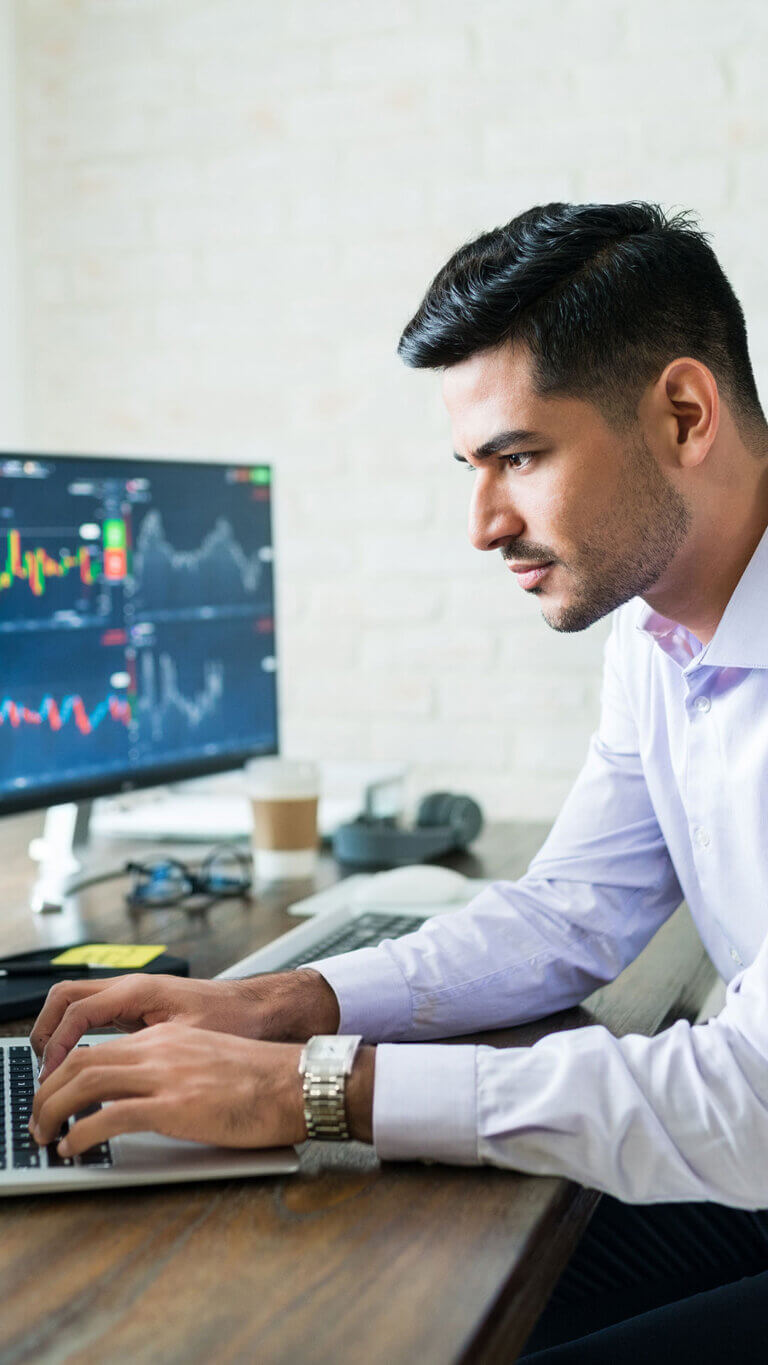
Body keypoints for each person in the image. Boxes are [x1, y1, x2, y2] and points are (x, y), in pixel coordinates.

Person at [29, 202, 768, 1359]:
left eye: (520, 457)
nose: (482, 523)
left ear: (683, 414)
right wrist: (275, 1006)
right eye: (470, 467)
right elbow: (571, 913)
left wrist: (313, 1089)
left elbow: (753, 1105)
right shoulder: (662, 634)